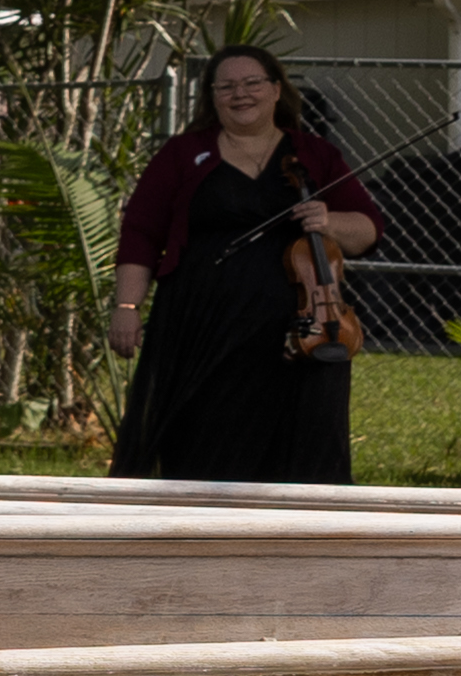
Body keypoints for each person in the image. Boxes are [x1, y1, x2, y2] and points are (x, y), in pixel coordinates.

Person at [112, 43, 378, 483]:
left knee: (305, 435)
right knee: (204, 434)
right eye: (228, 86)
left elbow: (368, 230)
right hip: (202, 321)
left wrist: (329, 220)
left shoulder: (314, 154)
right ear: (213, 97)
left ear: (276, 90)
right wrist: (127, 308)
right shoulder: (183, 154)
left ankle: (301, 537)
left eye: (253, 83)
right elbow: (140, 234)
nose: (241, 94)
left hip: (303, 324)